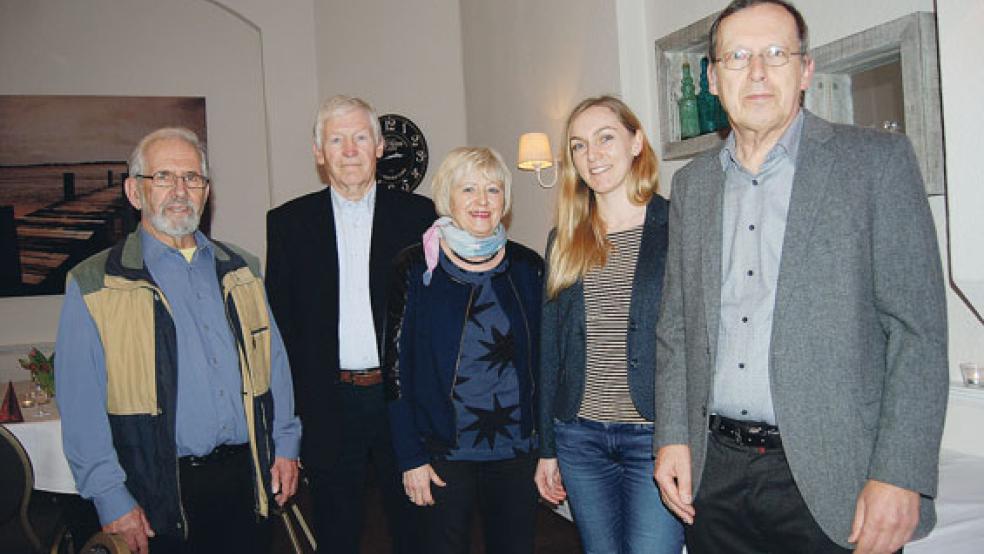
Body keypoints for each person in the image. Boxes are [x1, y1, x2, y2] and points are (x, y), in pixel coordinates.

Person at [653, 2, 948, 553]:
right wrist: (672, 436)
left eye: (775, 54)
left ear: (806, 70)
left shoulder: (876, 164)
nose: (758, 72)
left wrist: (902, 472)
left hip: (837, 479)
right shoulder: (692, 187)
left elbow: (918, 333)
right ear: (714, 79)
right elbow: (676, 327)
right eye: (738, 56)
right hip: (715, 477)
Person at [55, 127, 301, 554]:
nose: (180, 190)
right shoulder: (95, 283)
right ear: (135, 192)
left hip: (247, 480)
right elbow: (80, 409)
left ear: (206, 192)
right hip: (156, 490)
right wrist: (111, 498)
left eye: (192, 178)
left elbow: (274, 366)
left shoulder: (242, 268)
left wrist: (285, 445)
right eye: (163, 177)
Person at [265, 95, 435, 553]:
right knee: (337, 535)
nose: (350, 149)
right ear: (319, 152)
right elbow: (282, 332)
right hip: (328, 405)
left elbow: (437, 317)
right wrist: (288, 423)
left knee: (416, 531)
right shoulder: (287, 224)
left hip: (401, 401)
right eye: (336, 140)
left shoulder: (421, 216)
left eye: (361, 137)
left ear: (380, 146)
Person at [535, 95, 684, 554]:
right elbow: (550, 348)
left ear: (636, 142)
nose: (592, 155)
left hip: (655, 436)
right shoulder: (565, 238)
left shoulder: (676, 224)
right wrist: (546, 447)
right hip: (580, 437)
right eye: (578, 146)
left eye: (605, 138)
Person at [383, 147, 543, 554]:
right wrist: (410, 457)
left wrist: (550, 450)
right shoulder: (415, 267)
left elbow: (546, 363)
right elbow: (396, 371)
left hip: (516, 450)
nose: (482, 201)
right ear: (447, 196)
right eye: (468, 188)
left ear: (505, 199)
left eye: (493, 189)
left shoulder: (529, 267)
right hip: (443, 452)